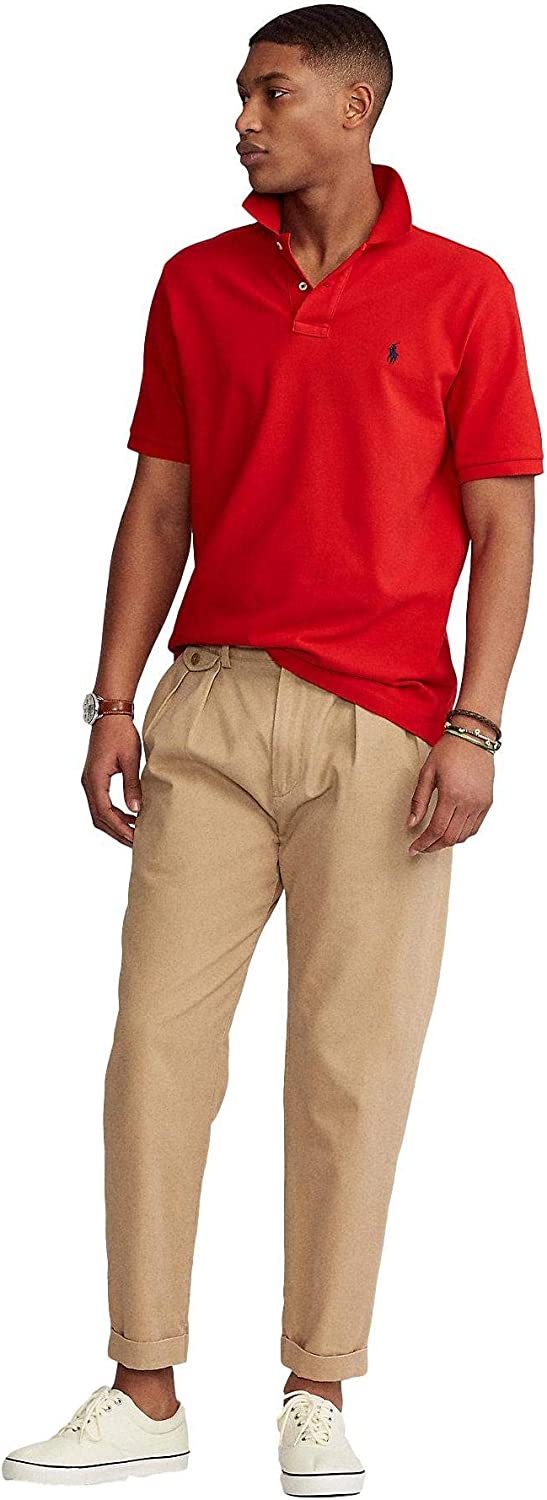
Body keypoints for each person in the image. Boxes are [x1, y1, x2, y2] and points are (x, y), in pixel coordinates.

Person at [3, 4, 543, 1493]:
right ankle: (146, 1386)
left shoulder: (464, 289)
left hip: (387, 726)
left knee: (349, 1066)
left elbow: (505, 521)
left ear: (356, 107)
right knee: (154, 1046)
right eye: (241, 93)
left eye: (271, 91)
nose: (242, 119)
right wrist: (113, 699)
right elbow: (158, 506)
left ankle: (317, 1386)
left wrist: (477, 725)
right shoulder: (196, 283)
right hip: (215, 704)